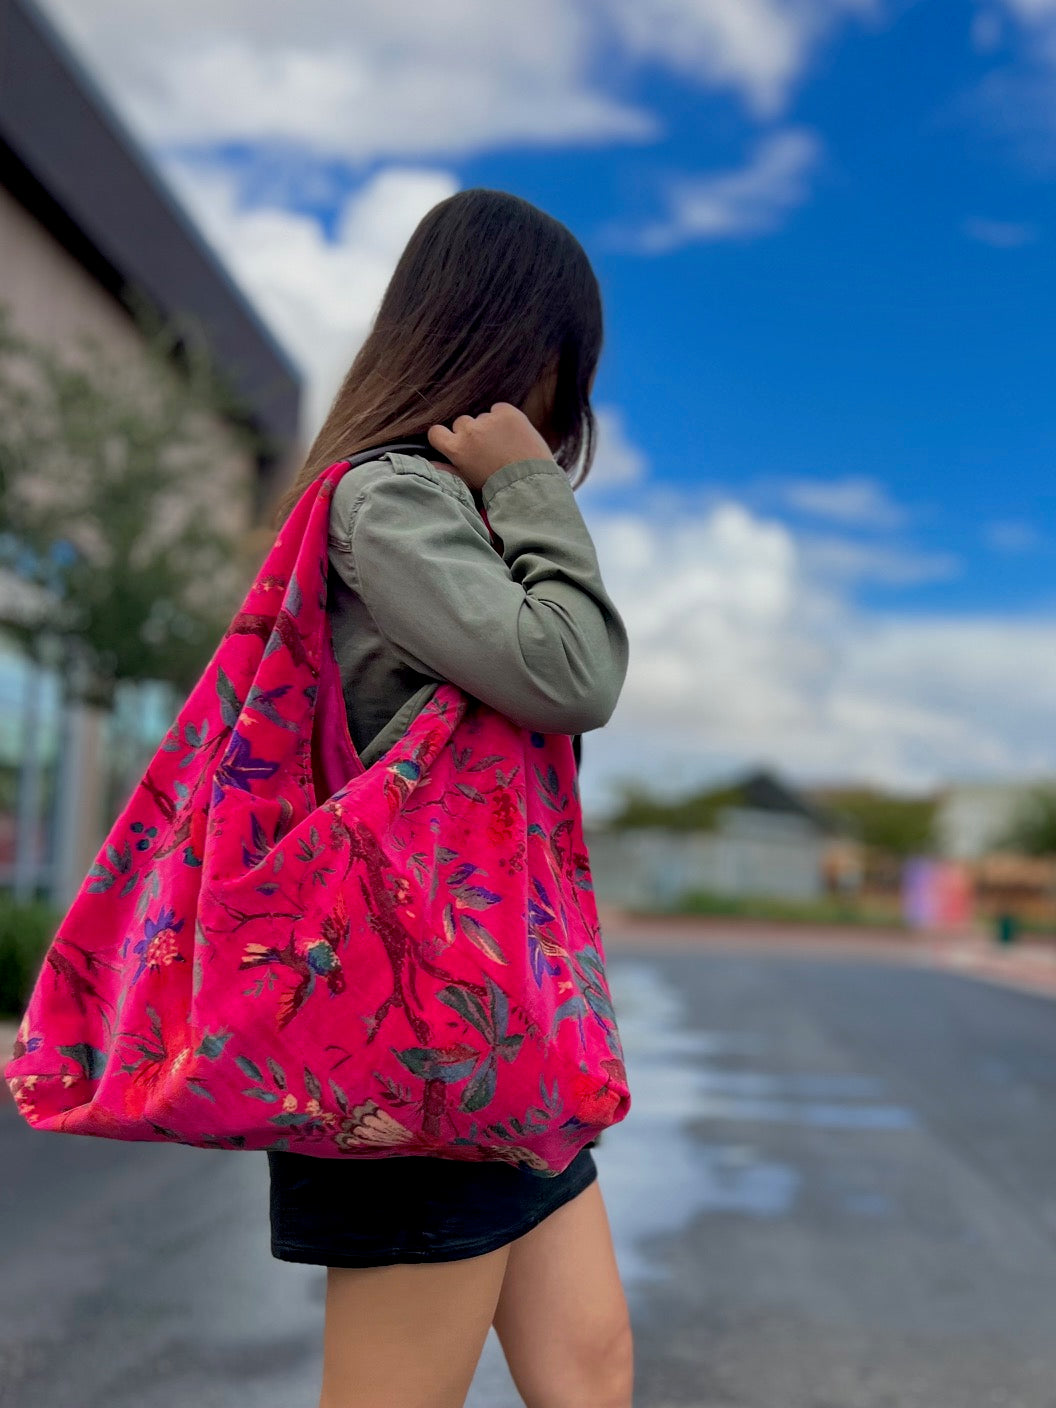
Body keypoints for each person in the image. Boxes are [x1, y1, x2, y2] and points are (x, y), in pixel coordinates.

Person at [266, 188, 633, 1408]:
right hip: (410, 1043)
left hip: (494, 1039)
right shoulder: (390, 499)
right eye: (556, 364)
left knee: (589, 1364)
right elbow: (571, 670)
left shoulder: (446, 518)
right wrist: (535, 489)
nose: (559, 404)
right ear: (500, 343)